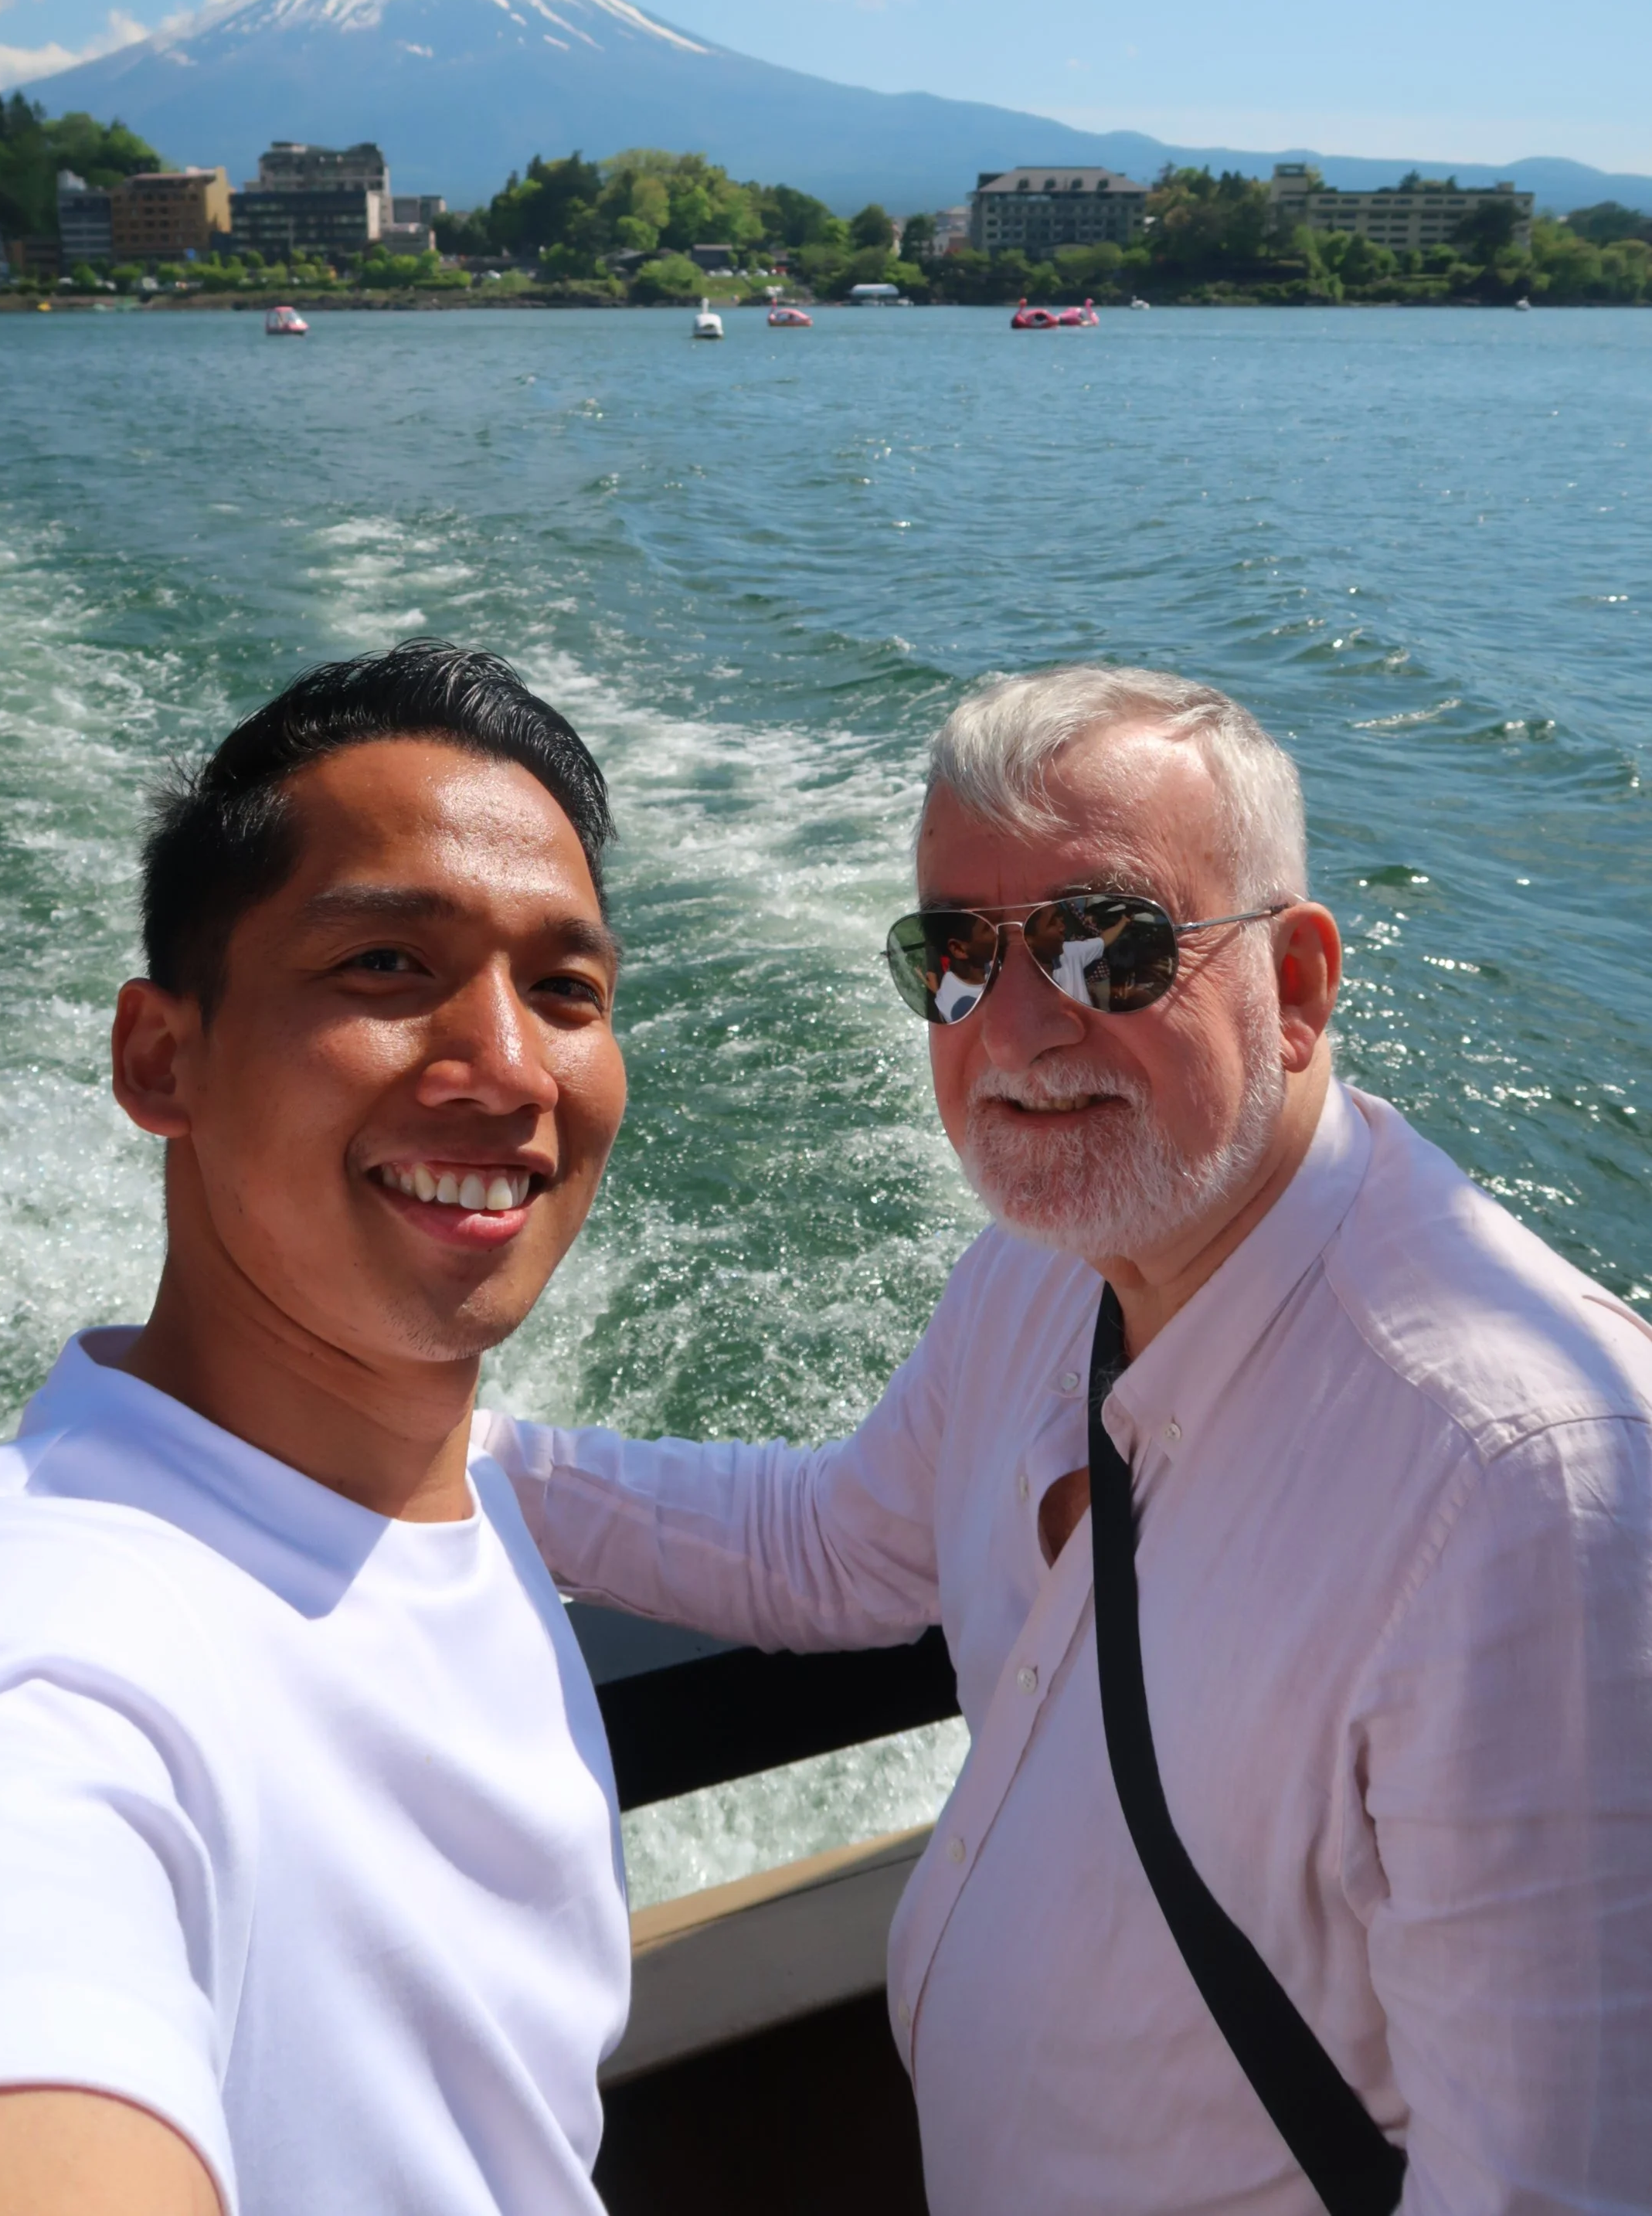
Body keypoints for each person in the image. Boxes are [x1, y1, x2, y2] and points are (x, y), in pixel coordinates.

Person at [481, 662, 1652, 2214]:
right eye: (956, 953)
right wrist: (448, 1447)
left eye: (1110, 944)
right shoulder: (1047, 1274)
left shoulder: (1519, 1489)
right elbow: (834, 1543)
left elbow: (1535, 2192)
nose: (1018, 1028)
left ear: (1294, 987)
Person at [0, 643, 633, 2216]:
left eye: (564, 989)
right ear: (161, 1058)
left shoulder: (426, 1491)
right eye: (386, 969)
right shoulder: (3, 1651)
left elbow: (815, 1539)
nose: (504, 1066)